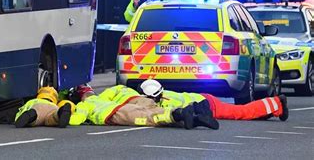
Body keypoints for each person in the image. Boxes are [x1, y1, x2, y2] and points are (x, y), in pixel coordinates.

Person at [68, 84, 219, 130]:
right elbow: (112, 97)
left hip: (116, 114)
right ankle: (193, 118)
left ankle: (178, 114)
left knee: (149, 118)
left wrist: (66, 116)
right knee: (158, 112)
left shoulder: (84, 104)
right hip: (133, 101)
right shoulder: (117, 90)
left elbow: (75, 120)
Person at [138, 80, 289, 121]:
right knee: (242, 111)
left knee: (241, 112)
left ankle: (277, 104)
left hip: (208, 105)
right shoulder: (165, 93)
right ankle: (266, 111)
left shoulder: (166, 102)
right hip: (203, 98)